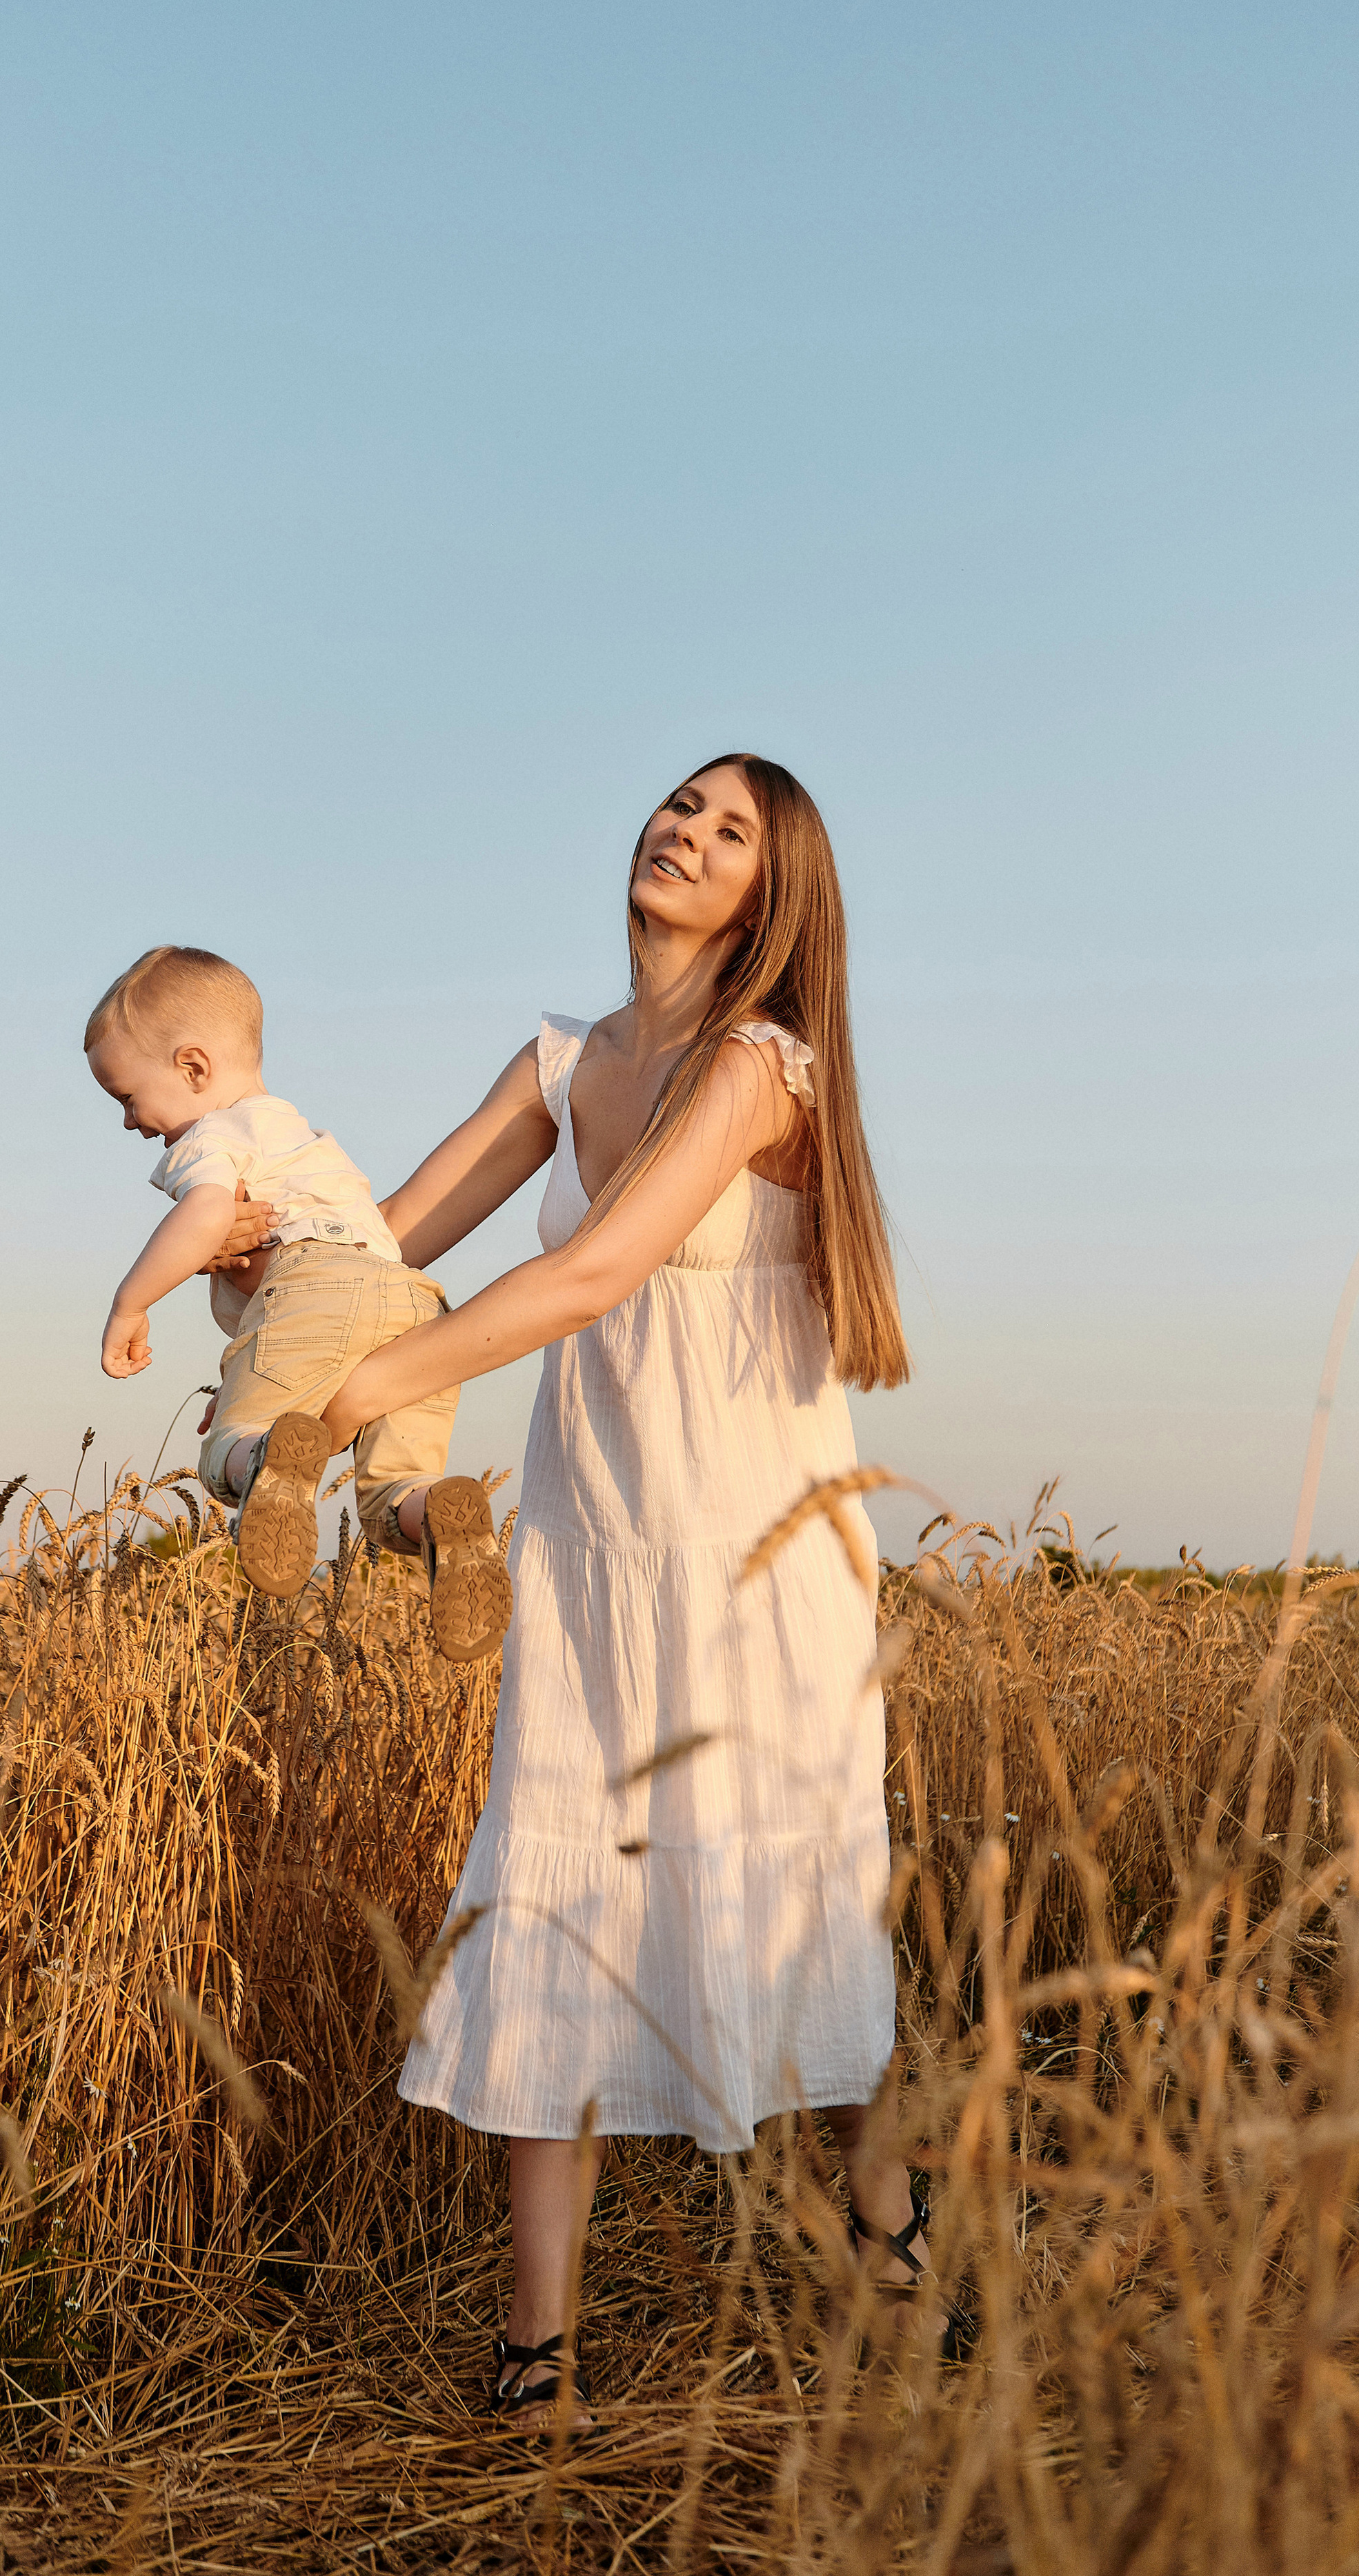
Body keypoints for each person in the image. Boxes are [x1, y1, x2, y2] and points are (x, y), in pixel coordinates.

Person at [214, 756, 926, 2427]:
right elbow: (390, 1243)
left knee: (796, 1902)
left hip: (754, 1557)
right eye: (678, 805)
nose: (683, 831)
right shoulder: (560, 1059)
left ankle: (889, 2249)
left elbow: (594, 1268)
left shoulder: (758, 1065)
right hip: (597, 1550)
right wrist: (260, 1252)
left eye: (729, 830)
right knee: (554, 1902)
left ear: (769, 895)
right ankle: (534, 2357)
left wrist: (357, 1392)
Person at [84, 943, 511, 1659]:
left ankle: (259, 1457)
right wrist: (243, 1383)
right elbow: (317, 1313)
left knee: (226, 1454)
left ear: (192, 1068)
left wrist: (131, 1303)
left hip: (314, 1290)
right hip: (411, 1297)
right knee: (393, 1489)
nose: (130, 1122)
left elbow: (208, 1218)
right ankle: (441, 1512)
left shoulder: (210, 1135)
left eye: (127, 1097)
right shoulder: (300, 1135)